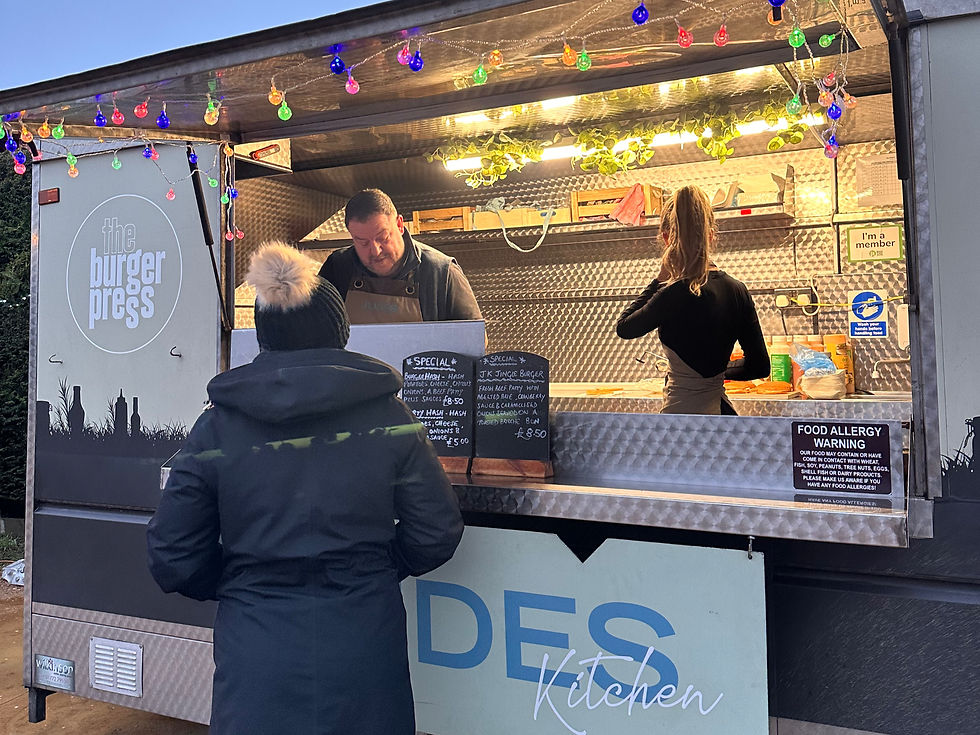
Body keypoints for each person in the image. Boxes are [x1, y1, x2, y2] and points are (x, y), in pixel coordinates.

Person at [146, 242, 463, 735]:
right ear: (340, 332)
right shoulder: (389, 416)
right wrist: (376, 570)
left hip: (255, 652)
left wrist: (240, 584)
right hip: (364, 640)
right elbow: (437, 530)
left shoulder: (217, 428)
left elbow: (172, 553)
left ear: (265, 337)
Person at [616, 185, 770, 415]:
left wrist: (659, 280)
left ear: (667, 238)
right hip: (721, 416)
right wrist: (715, 373)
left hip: (680, 419)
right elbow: (759, 366)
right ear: (710, 236)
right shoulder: (737, 290)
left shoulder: (671, 293)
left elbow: (625, 327)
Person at [319, 188, 483, 323]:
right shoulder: (336, 267)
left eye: (383, 238)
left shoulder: (441, 272)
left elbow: (473, 339)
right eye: (362, 242)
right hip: (353, 364)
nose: (375, 251)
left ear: (399, 225)